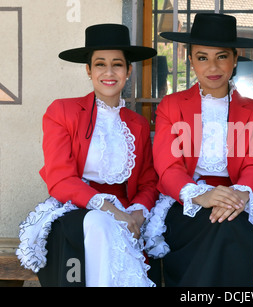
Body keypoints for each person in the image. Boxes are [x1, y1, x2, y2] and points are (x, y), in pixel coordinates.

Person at [16, 24, 159, 287]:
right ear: (88, 70)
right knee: (99, 224)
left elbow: (149, 181)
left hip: (126, 211)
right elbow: (59, 179)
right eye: (100, 64)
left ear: (128, 71)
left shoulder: (137, 124)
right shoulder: (62, 111)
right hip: (75, 207)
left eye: (117, 64)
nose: (108, 72)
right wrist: (112, 211)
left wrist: (137, 213)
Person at [143, 13, 253, 287]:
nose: (212, 66)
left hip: (235, 200)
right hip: (186, 201)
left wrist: (237, 196)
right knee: (219, 227)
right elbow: (167, 167)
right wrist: (201, 195)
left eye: (222, 56)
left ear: (235, 59)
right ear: (190, 60)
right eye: (202, 57)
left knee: (232, 226)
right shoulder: (171, 105)